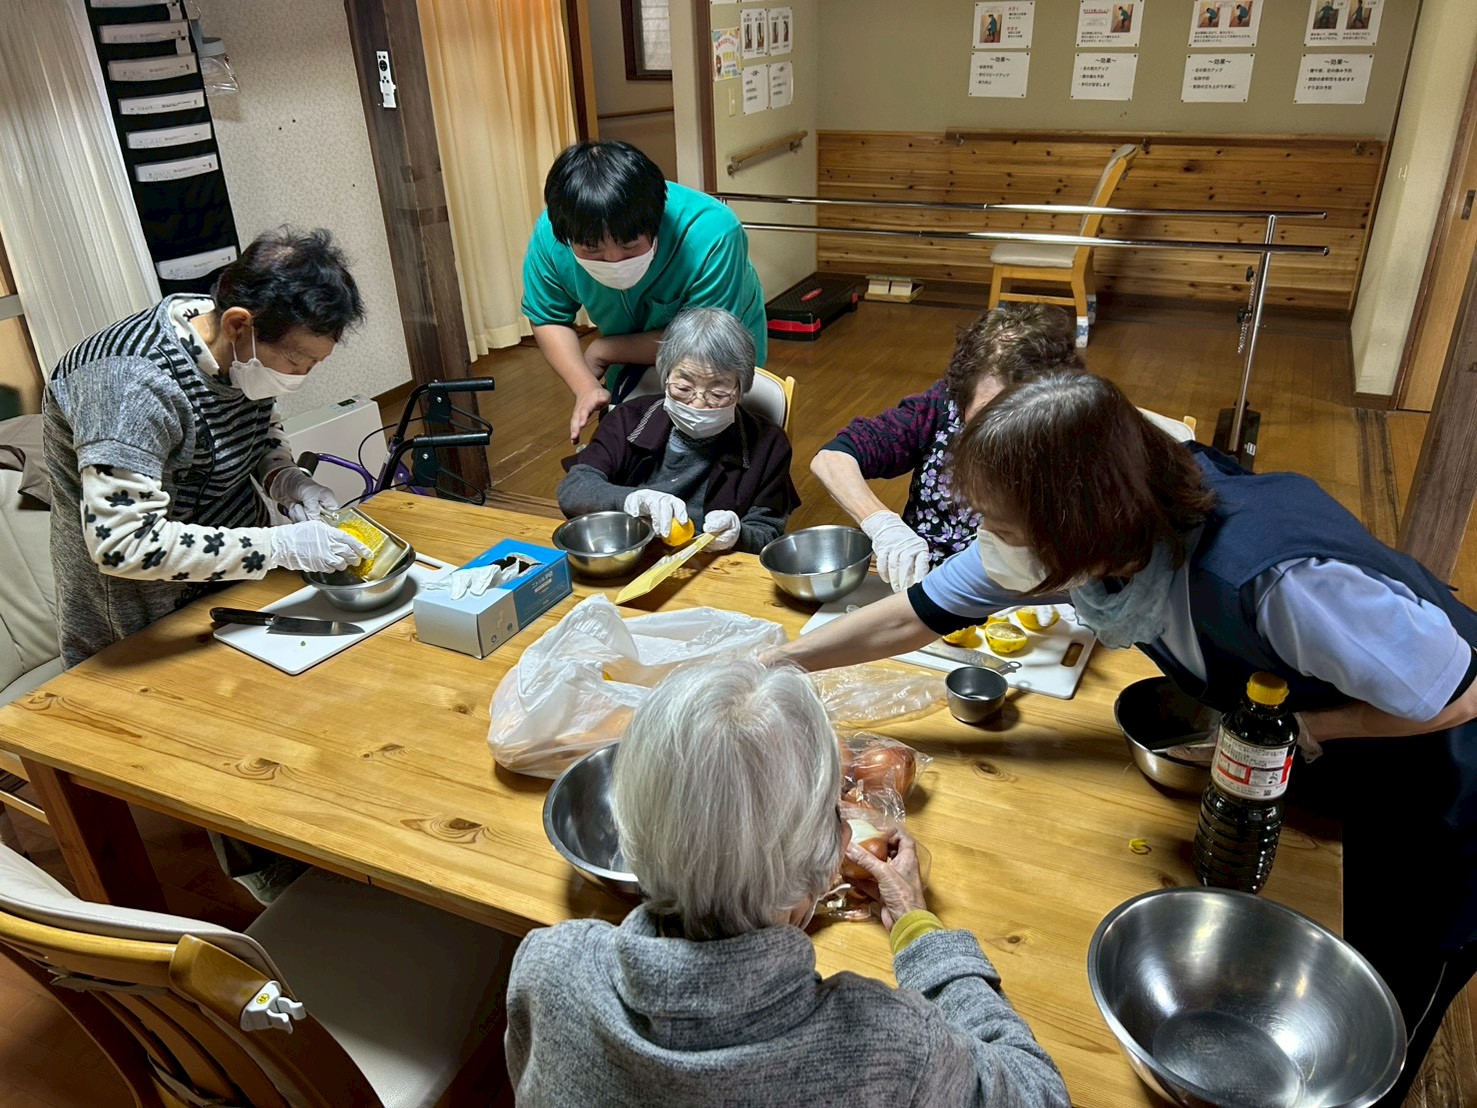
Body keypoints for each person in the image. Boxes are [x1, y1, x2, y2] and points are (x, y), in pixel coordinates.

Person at [773, 370, 1477, 1105]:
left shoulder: (1278, 581)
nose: (991, 546)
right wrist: (773, 662)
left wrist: (1305, 727)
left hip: (1445, 781)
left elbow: (1457, 694)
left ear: (1083, 521)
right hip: (1324, 765)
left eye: (1003, 528)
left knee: (1380, 998)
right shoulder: (1109, 531)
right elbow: (912, 615)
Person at [505, 658, 1071, 1106]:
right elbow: (1038, 1093)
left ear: (627, 829)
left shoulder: (547, 966)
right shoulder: (891, 1049)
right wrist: (920, 934)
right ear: (826, 866)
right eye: (834, 814)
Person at [43, 227, 371, 669]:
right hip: (143, 616)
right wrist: (278, 546)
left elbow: (255, 423)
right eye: (296, 361)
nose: (301, 376)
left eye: (314, 363)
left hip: (239, 584)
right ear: (238, 323)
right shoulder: (130, 383)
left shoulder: (239, 349)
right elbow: (122, 543)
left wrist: (285, 478)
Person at [522, 141, 767, 444]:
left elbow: (707, 342)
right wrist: (585, 386)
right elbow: (548, 316)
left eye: (630, 246)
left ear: (656, 223)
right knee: (632, 442)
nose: (614, 261)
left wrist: (606, 350)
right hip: (625, 358)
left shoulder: (712, 233)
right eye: (592, 250)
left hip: (714, 357)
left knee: (712, 438)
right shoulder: (552, 234)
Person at [557, 307, 796, 555]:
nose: (698, 403)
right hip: (632, 553)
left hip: (711, 564)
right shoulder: (629, 420)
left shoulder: (768, 443)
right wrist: (631, 501)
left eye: (718, 393)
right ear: (666, 376)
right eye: (683, 387)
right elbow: (574, 488)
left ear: (741, 388)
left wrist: (738, 534)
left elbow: (769, 534)